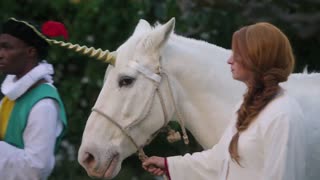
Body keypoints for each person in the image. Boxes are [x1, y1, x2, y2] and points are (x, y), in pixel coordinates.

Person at [142, 22, 306, 180]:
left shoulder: (282, 114)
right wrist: (169, 165)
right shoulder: (248, 106)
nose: (229, 60)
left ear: (258, 58)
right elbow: (220, 160)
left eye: (238, 54)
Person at [0, 18, 68, 180]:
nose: (0, 55)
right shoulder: (12, 95)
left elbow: (35, 169)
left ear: (31, 52)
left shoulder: (44, 104)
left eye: (7, 47)